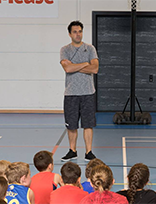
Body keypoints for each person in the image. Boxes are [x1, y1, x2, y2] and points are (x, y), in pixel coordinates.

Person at [60, 20, 99, 162]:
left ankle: (89, 152)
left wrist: (74, 66)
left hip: (88, 92)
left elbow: (94, 68)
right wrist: (85, 64)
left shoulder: (90, 49)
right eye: (75, 32)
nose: (78, 34)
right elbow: (67, 68)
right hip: (71, 93)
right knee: (72, 124)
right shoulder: (65, 50)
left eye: (80, 31)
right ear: (70, 34)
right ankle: (72, 150)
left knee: (88, 124)